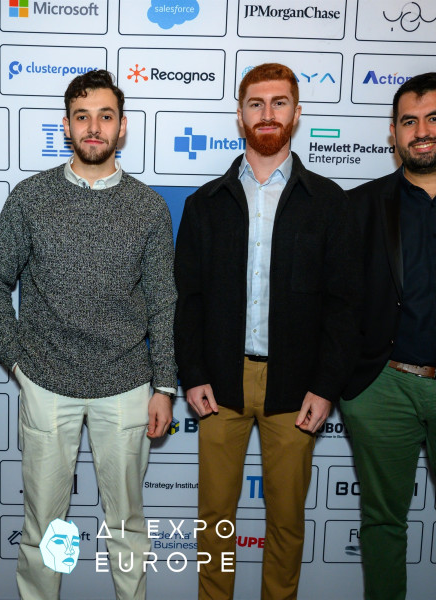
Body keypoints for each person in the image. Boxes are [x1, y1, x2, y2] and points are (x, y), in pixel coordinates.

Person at [0, 69, 176, 600]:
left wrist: (164, 384)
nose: (93, 127)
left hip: (127, 384)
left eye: (105, 116)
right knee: (46, 525)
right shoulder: (31, 197)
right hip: (46, 382)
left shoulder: (148, 206)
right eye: (82, 117)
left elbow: (163, 301)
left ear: (122, 127)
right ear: (66, 126)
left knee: (127, 523)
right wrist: (17, 361)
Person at [174, 63, 361, 600]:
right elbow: (187, 300)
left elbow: (344, 306)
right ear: (240, 115)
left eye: (279, 103)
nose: (267, 113)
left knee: (286, 521)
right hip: (219, 386)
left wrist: (325, 386)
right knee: (214, 519)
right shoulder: (205, 203)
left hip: (296, 387)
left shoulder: (329, 202)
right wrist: (193, 373)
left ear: (297, 114)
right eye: (256, 103)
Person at [340, 72, 436, 600]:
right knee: (382, 523)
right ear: (394, 133)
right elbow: (337, 303)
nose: (422, 132)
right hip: (384, 388)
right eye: (409, 121)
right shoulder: (362, 205)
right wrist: (354, 387)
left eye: (433, 119)